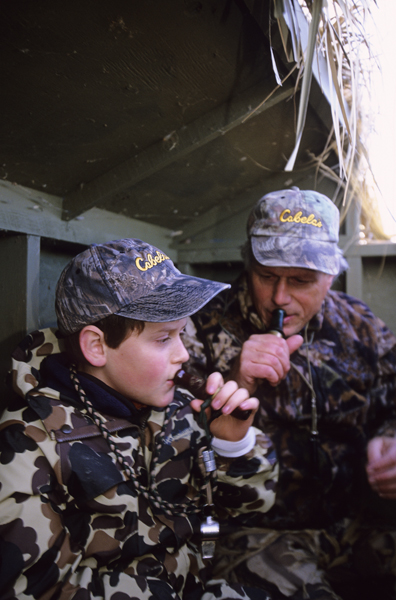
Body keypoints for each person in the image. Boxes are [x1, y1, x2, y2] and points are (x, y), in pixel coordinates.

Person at [0, 238, 278, 600]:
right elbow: (35, 589)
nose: (183, 355)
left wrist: (233, 443)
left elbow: (252, 508)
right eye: (164, 338)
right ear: (96, 347)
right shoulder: (30, 444)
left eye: (183, 333)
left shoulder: (180, 407)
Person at [183, 188, 396, 600]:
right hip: (257, 534)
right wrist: (238, 380)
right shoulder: (201, 326)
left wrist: (391, 438)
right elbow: (175, 446)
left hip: (356, 522)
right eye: (266, 276)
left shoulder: (360, 325)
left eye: (301, 281)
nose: (280, 297)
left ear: (331, 274)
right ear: (249, 264)